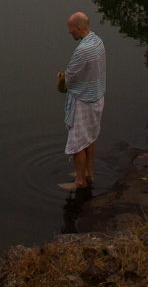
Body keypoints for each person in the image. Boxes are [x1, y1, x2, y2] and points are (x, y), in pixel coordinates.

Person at [57, 11, 105, 190]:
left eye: (71, 29)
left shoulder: (83, 50)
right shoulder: (98, 42)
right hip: (97, 97)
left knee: (78, 143)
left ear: (79, 28)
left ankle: (79, 182)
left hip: (84, 102)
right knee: (89, 139)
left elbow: (68, 79)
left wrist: (61, 77)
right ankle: (88, 173)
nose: (70, 32)